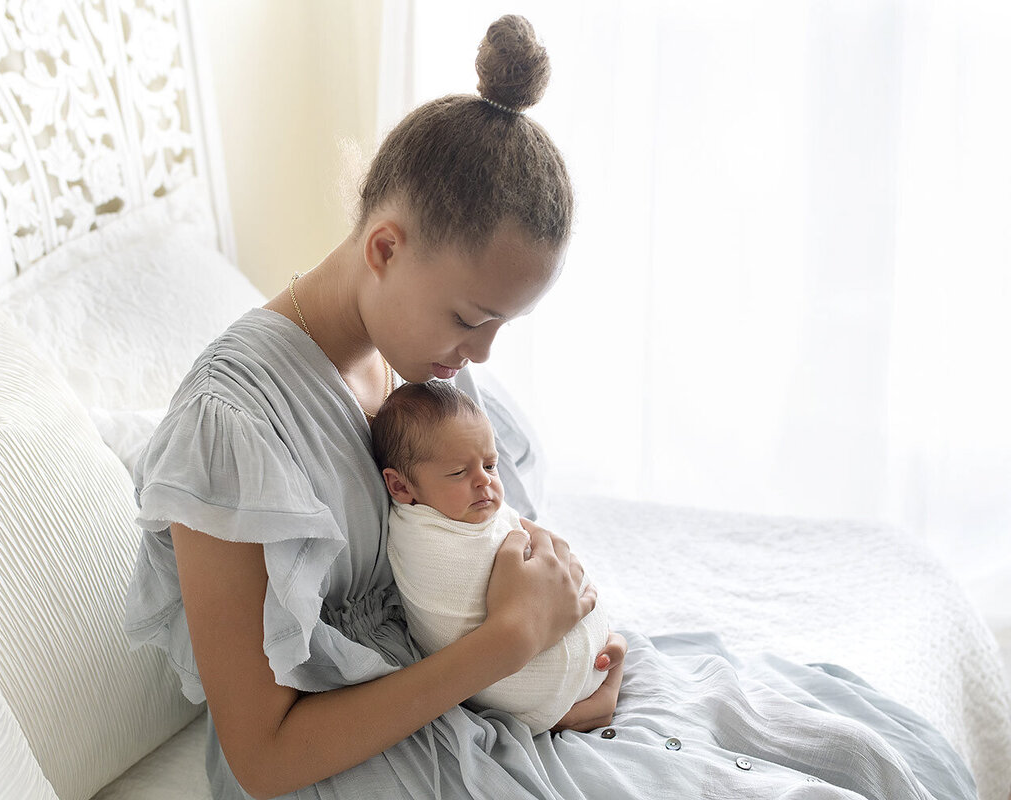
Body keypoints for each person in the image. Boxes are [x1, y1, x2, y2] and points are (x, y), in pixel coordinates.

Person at [124, 14, 976, 800]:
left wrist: (551, 648)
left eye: (502, 323)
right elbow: (262, 757)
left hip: (481, 690)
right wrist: (507, 646)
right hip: (350, 762)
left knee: (853, 756)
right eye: (470, 318)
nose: (481, 356)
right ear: (385, 246)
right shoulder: (227, 430)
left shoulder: (417, 365)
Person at [372, 380, 625, 735]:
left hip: (590, 658)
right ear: (400, 487)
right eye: (458, 472)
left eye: (490, 466)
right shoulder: (423, 540)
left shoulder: (461, 505)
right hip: (528, 687)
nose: (483, 482)